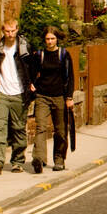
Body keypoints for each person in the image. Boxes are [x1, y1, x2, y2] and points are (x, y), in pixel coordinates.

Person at [0, 19, 34, 173]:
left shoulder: (25, 48)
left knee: (18, 129)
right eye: (7, 31)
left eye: (13, 30)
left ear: (17, 30)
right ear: (3, 31)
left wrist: (32, 85)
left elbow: (34, 67)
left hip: (20, 94)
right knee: (0, 128)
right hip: (2, 95)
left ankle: (17, 161)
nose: (10, 34)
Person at [28, 26, 75, 173]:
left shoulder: (64, 55)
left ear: (57, 39)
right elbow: (32, 73)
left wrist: (69, 97)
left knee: (60, 130)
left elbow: (70, 77)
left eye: (52, 39)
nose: (49, 41)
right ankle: (39, 159)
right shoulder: (39, 55)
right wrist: (31, 84)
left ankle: (59, 159)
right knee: (41, 128)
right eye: (47, 39)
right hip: (42, 96)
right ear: (44, 40)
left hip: (59, 96)